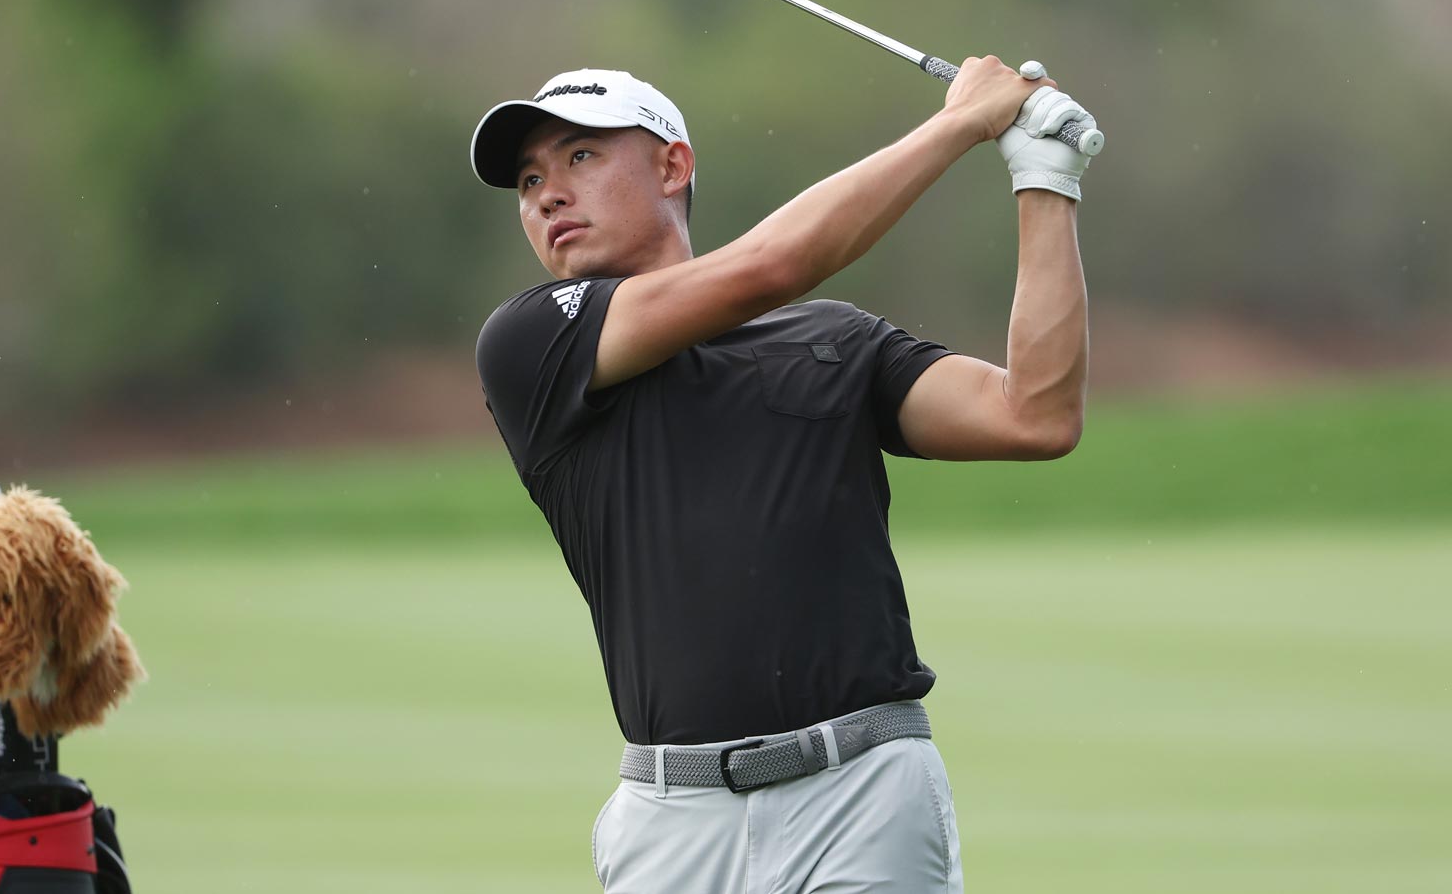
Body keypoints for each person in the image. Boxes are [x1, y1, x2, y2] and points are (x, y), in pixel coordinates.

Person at [469, 57, 1098, 893]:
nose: (546, 194)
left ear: (672, 165)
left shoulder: (838, 341)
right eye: (528, 179)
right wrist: (958, 125)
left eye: (579, 157)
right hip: (673, 820)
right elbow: (771, 266)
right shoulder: (530, 345)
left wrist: (1044, 180)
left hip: (864, 795)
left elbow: (1037, 415)